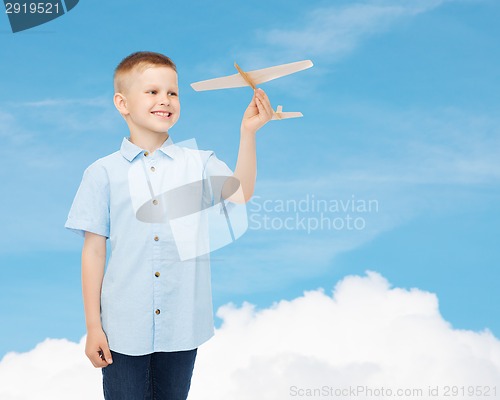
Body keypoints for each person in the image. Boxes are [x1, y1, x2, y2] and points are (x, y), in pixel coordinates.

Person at [65, 51, 273, 399]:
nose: (165, 100)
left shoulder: (199, 162)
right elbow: (94, 250)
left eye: (173, 93)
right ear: (122, 103)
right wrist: (93, 326)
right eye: (152, 92)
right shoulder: (102, 172)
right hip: (122, 328)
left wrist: (248, 133)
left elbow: (240, 194)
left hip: (182, 326)